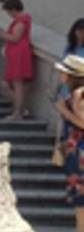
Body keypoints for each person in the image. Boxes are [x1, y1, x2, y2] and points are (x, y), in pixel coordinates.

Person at [52, 55, 84, 232]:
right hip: (76, 154)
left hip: (81, 156)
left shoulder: (79, 94)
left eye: (63, 71)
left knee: (81, 206)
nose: (60, 74)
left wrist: (64, 110)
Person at [0, 0, 33, 120]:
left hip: (19, 54)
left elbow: (15, 38)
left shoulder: (21, 20)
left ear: (13, 9)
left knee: (16, 83)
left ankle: (18, 112)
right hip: (16, 53)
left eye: (9, 12)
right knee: (11, 83)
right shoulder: (21, 20)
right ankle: (21, 109)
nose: (9, 15)